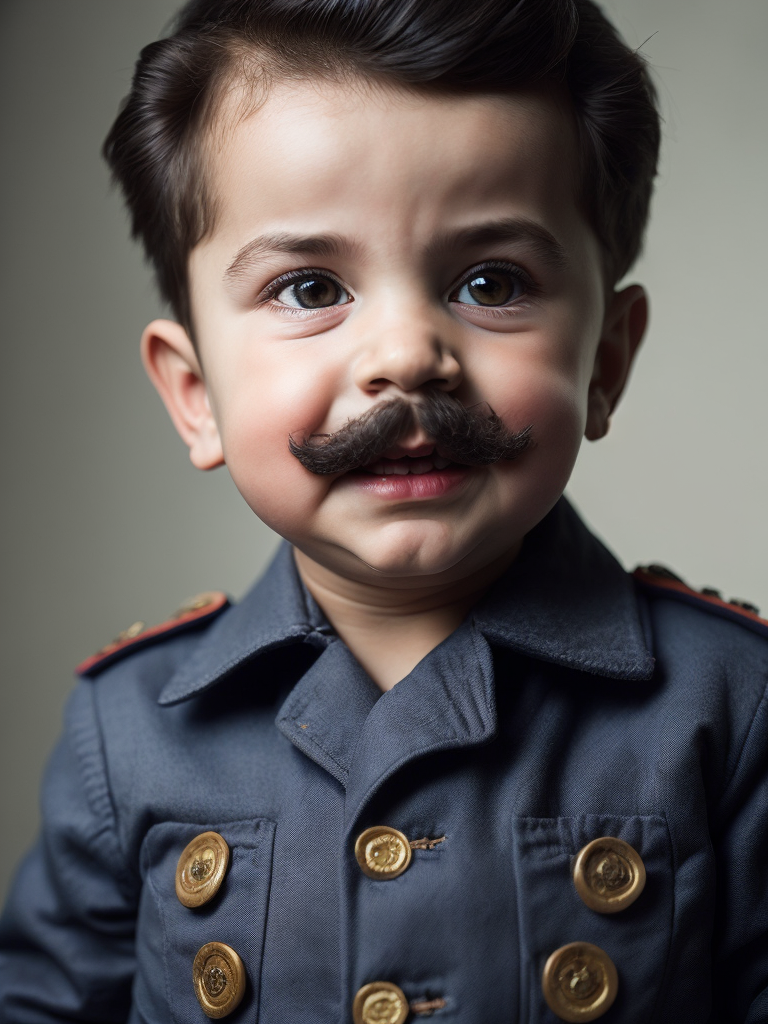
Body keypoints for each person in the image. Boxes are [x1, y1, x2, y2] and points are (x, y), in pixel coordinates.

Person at [1, 0, 766, 1021]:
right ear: (195, 395)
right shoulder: (130, 728)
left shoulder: (731, 703)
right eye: (310, 287)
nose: (407, 354)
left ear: (606, 362)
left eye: (492, 280)